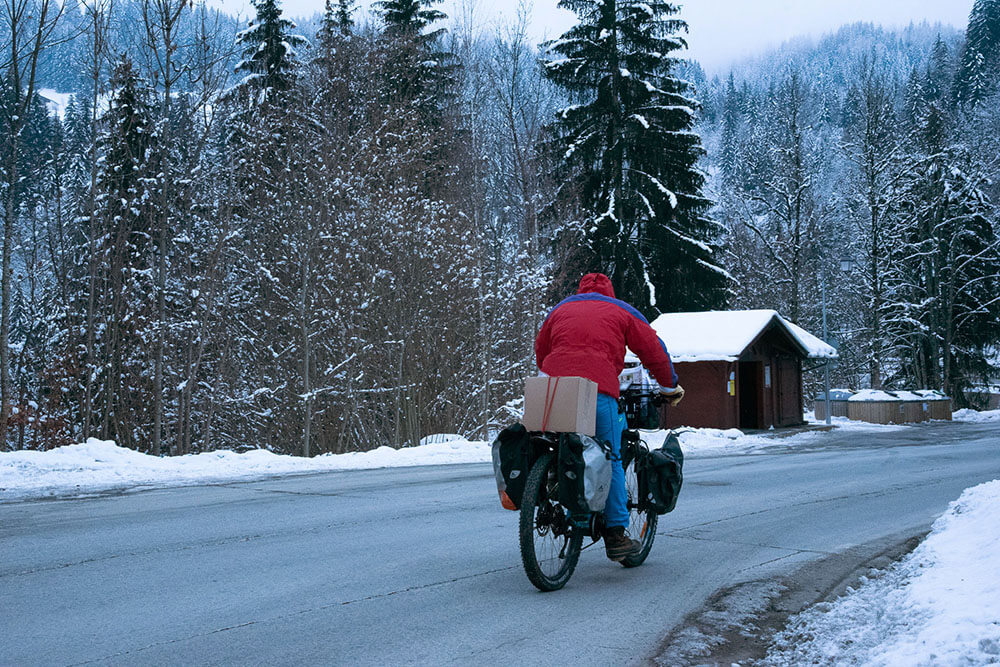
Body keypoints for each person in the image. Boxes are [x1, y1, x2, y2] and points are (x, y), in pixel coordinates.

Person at [534, 273, 684, 562]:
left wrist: (556, 372)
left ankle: (554, 491)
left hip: (553, 389)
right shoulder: (620, 310)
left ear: (580, 291)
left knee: (563, 450)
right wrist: (668, 386)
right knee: (610, 456)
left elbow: (541, 351)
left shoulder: (560, 309)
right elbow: (654, 352)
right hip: (598, 390)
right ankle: (615, 534)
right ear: (609, 293)